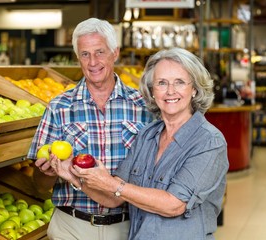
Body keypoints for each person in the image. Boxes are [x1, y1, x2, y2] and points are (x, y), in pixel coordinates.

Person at [51, 47, 229, 239]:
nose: (170, 91)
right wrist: (74, 176)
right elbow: (113, 198)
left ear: (194, 89)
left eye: (179, 82)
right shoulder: (147, 135)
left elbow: (174, 204)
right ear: (152, 91)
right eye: (161, 83)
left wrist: (111, 185)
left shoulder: (209, 141)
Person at [27, 17, 153, 240]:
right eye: (85, 54)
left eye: (100, 52)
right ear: (78, 58)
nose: (93, 61)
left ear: (115, 53)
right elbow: (39, 185)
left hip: (128, 227)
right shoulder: (59, 107)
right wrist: (46, 172)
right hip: (71, 226)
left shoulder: (143, 106)